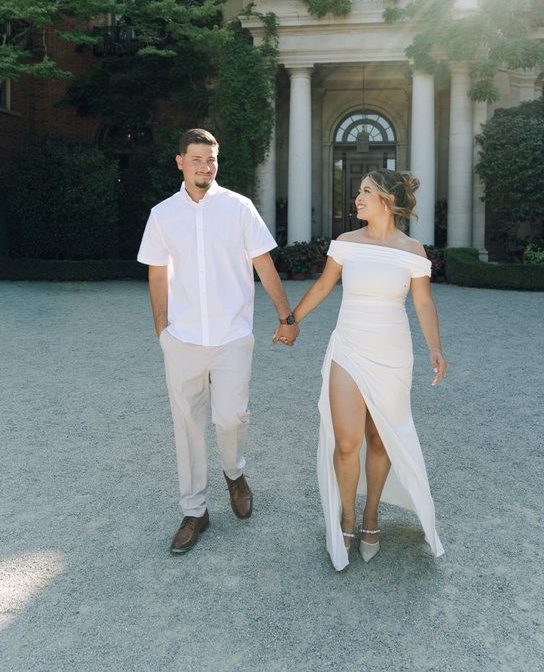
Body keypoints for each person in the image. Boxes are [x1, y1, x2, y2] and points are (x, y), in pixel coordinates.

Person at [273, 169, 446, 571]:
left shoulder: (413, 251)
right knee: (348, 442)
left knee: (381, 440)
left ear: (386, 200)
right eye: (359, 192)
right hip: (348, 348)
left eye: (366, 192)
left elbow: (423, 303)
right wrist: (290, 319)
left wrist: (435, 348)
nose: (357, 198)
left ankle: (372, 516)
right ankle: (347, 517)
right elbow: (322, 286)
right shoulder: (346, 244)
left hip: (393, 353)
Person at [138, 128, 299, 555]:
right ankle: (195, 511)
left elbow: (262, 263)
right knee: (187, 427)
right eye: (196, 159)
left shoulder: (239, 208)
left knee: (232, 419)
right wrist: (163, 332)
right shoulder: (162, 214)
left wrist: (287, 315)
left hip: (231, 338)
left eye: (210, 160)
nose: (204, 167)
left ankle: (234, 472)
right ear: (180, 162)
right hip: (183, 339)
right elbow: (157, 274)